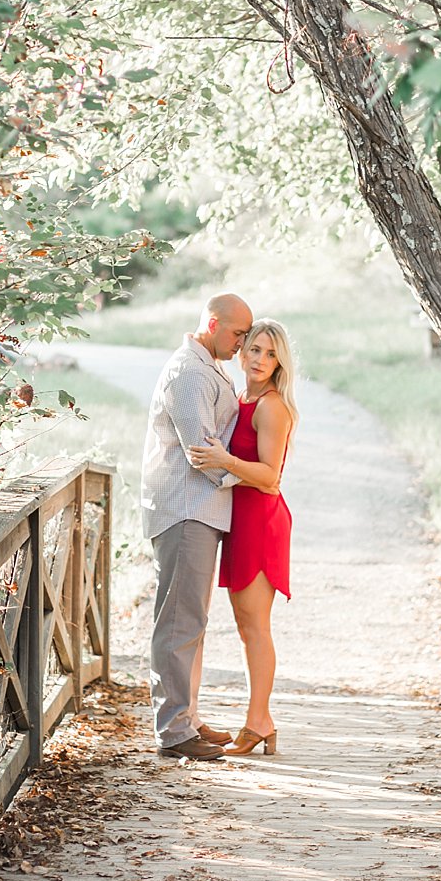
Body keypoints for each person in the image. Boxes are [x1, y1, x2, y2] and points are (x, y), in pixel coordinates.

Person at [139, 293, 252, 762]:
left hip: (201, 510)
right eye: (237, 334)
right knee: (179, 621)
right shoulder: (188, 372)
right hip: (186, 509)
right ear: (212, 323)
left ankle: (186, 717)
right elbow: (202, 452)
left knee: (192, 620)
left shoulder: (209, 366)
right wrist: (254, 475)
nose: (242, 344)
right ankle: (173, 730)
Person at [190, 318, 296, 758]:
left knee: (255, 628)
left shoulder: (271, 406)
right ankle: (259, 721)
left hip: (261, 520)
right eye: (255, 349)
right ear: (243, 349)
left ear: (279, 363)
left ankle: (259, 721)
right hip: (241, 518)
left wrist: (223, 459)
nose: (259, 360)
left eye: (271, 354)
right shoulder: (241, 397)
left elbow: (270, 478)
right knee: (245, 625)